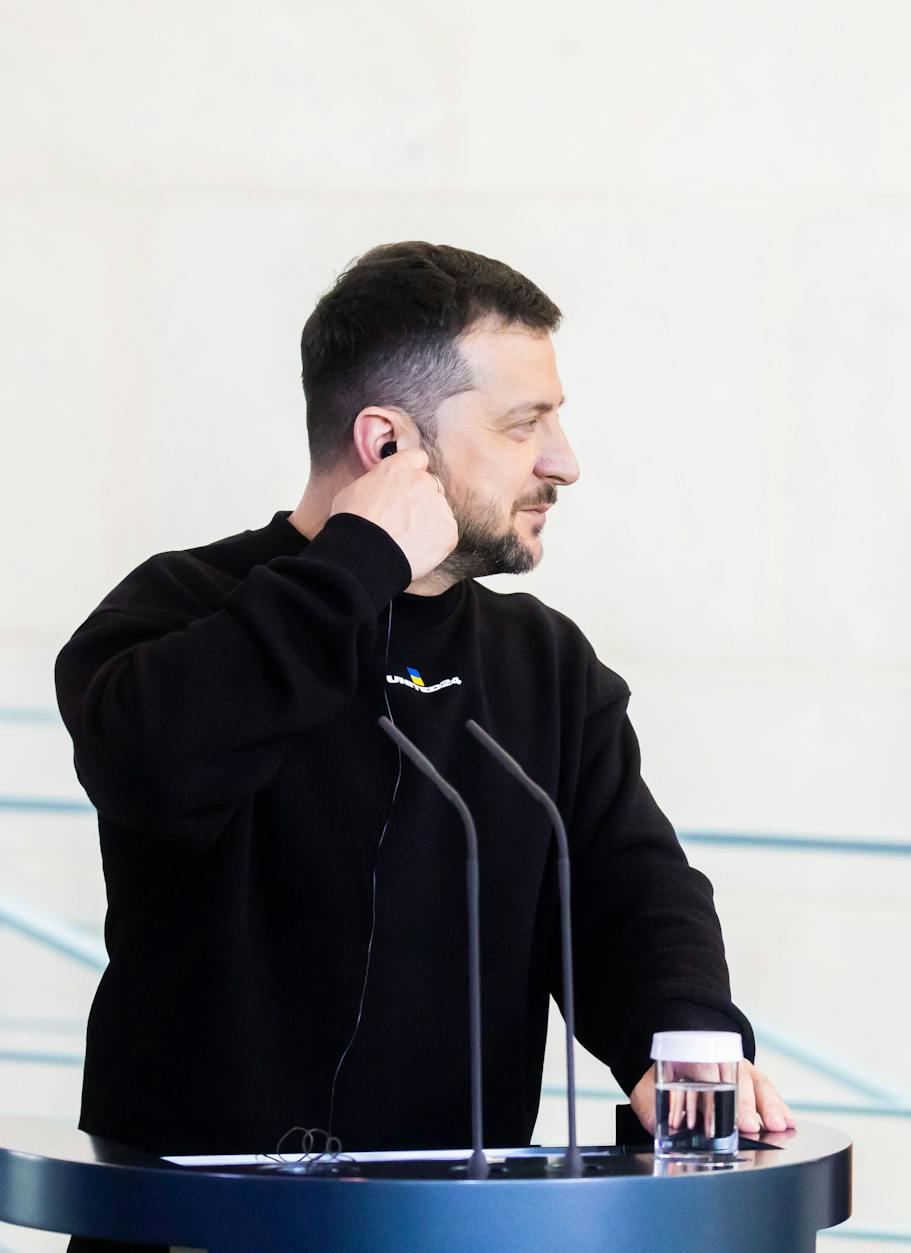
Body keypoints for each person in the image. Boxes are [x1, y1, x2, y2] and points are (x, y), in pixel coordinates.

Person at [54, 243, 790, 1226]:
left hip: (456, 1225)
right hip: (198, 1224)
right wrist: (356, 564)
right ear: (386, 443)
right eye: (526, 423)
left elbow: (631, 889)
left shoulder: (547, 663)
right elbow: (149, 762)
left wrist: (684, 1043)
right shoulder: (177, 610)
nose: (563, 460)